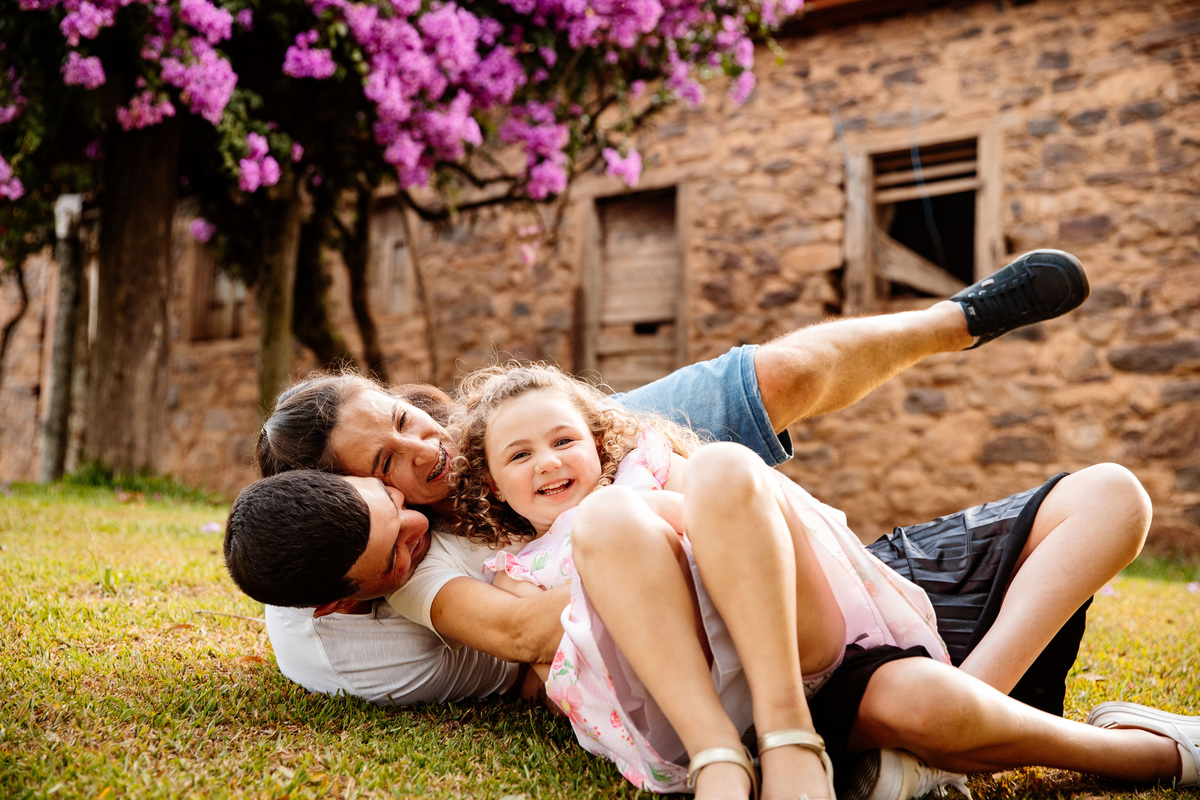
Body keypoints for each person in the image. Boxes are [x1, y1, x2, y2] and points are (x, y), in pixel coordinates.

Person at [225, 249, 1153, 794]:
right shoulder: (403, 569)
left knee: (775, 379)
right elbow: (528, 639)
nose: (419, 452)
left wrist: (562, 442)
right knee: (670, 507)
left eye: (401, 417)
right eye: (384, 465)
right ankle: (965, 724)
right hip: (583, 509)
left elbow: (554, 442)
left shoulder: (468, 441)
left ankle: (956, 316)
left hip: (554, 441)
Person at [443, 362, 951, 798]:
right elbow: (552, 668)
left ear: (596, 443)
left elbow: (734, 522)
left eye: (564, 440)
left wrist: (651, 509)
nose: (549, 461)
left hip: (766, 645)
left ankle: (793, 741)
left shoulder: (647, 475)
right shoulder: (516, 573)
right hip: (674, 693)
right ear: (493, 485)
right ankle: (723, 756)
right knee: (608, 522)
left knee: (709, 470)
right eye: (520, 455)